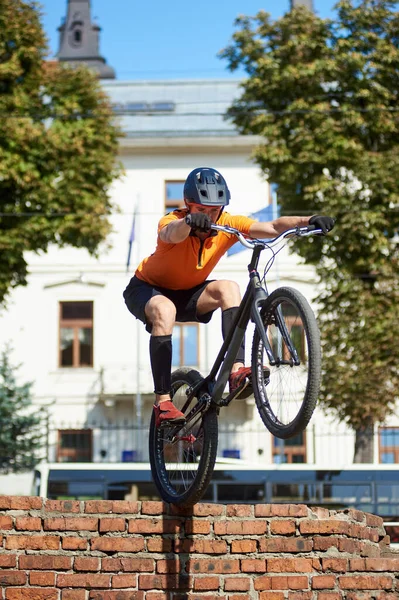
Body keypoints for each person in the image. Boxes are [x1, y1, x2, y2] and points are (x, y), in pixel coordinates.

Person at [123, 167, 335, 428]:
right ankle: (163, 402)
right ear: (188, 205)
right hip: (148, 289)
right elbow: (171, 233)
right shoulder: (173, 221)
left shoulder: (227, 224)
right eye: (202, 210)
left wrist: (309, 220)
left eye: (215, 211)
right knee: (165, 310)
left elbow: (271, 225)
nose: (210, 217)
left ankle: (237, 369)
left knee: (228, 287)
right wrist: (190, 222)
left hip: (189, 294)